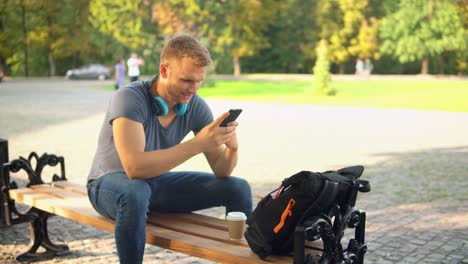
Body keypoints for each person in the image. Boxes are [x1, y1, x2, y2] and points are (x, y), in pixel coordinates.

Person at [86, 35, 252, 264]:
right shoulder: (129, 98)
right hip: (108, 185)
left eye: (199, 81)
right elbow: (134, 168)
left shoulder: (194, 105)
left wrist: (232, 149)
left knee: (238, 188)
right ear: (164, 70)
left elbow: (222, 171)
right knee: (136, 191)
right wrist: (197, 145)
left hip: (152, 186)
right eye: (186, 80)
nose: (193, 90)